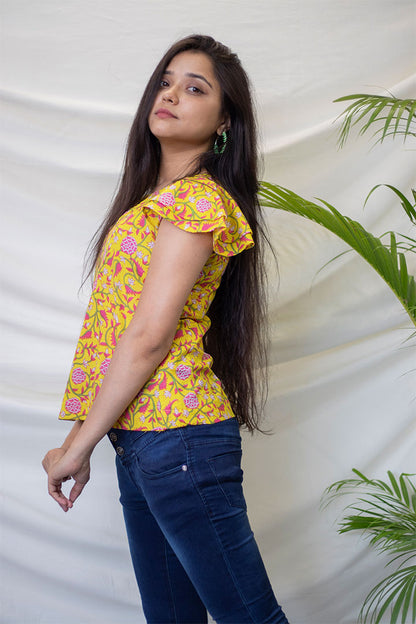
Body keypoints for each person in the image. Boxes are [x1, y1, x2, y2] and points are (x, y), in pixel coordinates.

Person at [42, 34, 289, 624]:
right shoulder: (152, 203)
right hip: (144, 441)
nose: (172, 94)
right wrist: (90, 435)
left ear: (224, 121)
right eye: (166, 82)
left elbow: (150, 336)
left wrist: (77, 446)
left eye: (194, 88)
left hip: (180, 438)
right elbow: (112, 331)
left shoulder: (196, 202)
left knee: (249, 618)